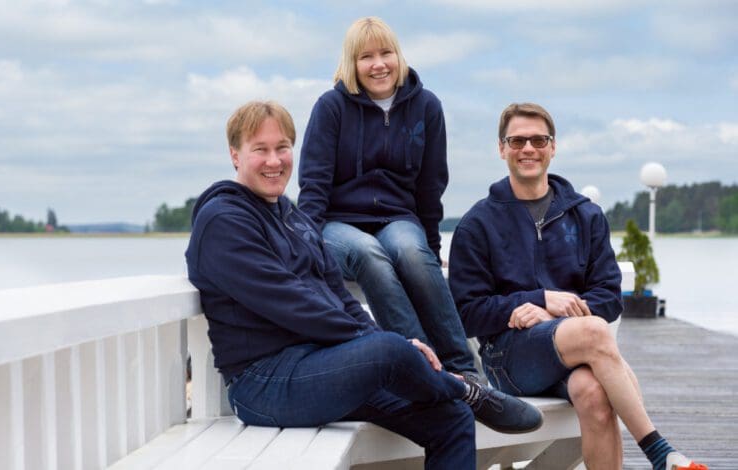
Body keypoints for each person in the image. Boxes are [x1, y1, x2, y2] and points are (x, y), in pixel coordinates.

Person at [184, 101, 543, 470]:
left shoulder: (292, 217)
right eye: (260, 150)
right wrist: (385, 345)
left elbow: (339, 296)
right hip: (264, 381)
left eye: (283, 148)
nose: (274, 161)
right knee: (390, 350)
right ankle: (468, 390)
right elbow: (289, 303)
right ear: (235, 155)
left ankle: (458, 396)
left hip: (321, 365)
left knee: (449, 418)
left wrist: (387, 342)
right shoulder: (223, 221)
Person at [448, 102, 707, 470]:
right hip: (508, 361)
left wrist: (552, 309)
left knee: (594, 395)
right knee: (591, 330)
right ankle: (660, 452)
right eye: (517, 140)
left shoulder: (585, 215)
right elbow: (467, 314)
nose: (528, 149)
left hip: (575, 354)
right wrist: (535, 300)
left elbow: (609, 297)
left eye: (538, 140)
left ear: (553, 147)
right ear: (502, 148)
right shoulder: (477, 224)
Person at [298, 16, 481, 384]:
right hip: (338, 222)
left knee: (411, 253)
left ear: (399, 56)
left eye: (386, 53)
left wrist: (429, 246)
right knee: (369, 254)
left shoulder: (426, 107)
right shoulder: (331, 107)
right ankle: (428, 371)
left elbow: (431, 184)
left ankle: (465, 370)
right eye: (366, 56)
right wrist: (306, 245)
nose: (378, 64)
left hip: (398, 218)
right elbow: (314, 182)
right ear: (352, 64)